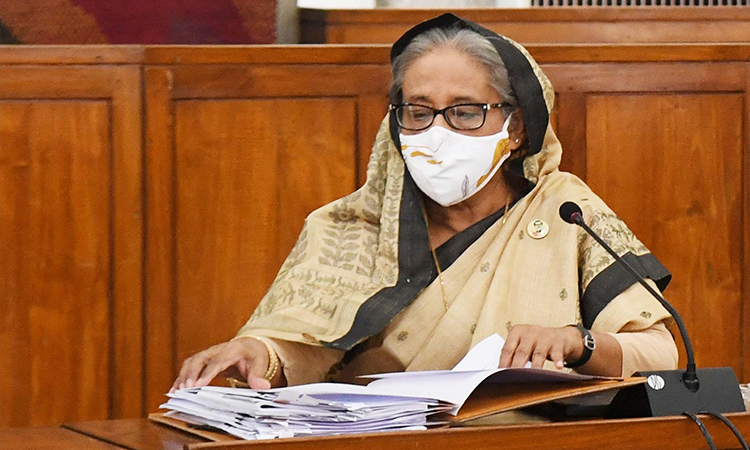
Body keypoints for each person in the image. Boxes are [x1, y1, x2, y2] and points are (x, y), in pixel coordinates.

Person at [171, 13, 678, 393]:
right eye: (417, 112)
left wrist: (576, 342)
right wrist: (258, 353)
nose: (436, 132)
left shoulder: (566, 211)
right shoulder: (350, 226)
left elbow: (660, 354)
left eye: (465, 112)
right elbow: (298, 353)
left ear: (517, 127)